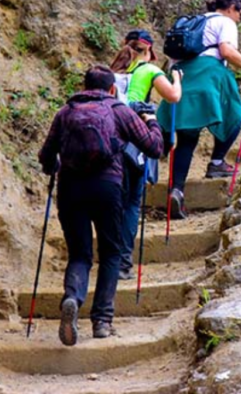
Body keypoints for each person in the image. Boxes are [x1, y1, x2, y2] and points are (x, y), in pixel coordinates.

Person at [38, 65, 164, 345]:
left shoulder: (66, 112)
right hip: (107, 187)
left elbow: (46, 156)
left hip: (70, 188)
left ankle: (72, 298)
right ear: (112, 88)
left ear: (84, 86)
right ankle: (102, 321)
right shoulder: (119, 110)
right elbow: (155, 147)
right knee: (110, 253)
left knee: (79, 254)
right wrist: (152, 120)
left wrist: (55, 167)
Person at [157, 0, 241, 220]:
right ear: (232, 7)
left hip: (180, 78)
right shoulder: (225, 22)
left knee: (187, 138)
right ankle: (217, 161)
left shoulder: (193, 22)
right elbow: (227, 51)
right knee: (236, 115)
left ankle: (176, 191)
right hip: (207, 75)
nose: (240, 18)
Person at [110, 30, 183, 280]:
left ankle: (109, 256)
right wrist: (176, 79)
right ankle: (122, 263)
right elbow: (173, 96)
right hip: (135, 140)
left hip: (110, 139)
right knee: (132, 202)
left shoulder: (114, 70)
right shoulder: (149, 70)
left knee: (116, 200)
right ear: (149, 50)